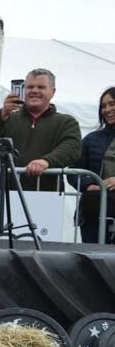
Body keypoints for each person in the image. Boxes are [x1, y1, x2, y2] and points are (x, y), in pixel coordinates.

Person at [0, 68, 82, 192]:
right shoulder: (7, 117)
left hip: (46, 194)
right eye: (30, 87)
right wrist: (1, 115)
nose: (35, 91)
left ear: (52, 92)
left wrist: (46, 161)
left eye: (41, 87)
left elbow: (72, 147)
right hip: (5, 194)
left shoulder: (66, 122)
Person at [71, 86, 115, 243]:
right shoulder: (92, 139)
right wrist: (89, 184)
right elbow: (73, 171)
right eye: (103, 106)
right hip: (94, 212)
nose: (107, 109)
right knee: (93, 262)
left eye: (112, 103)